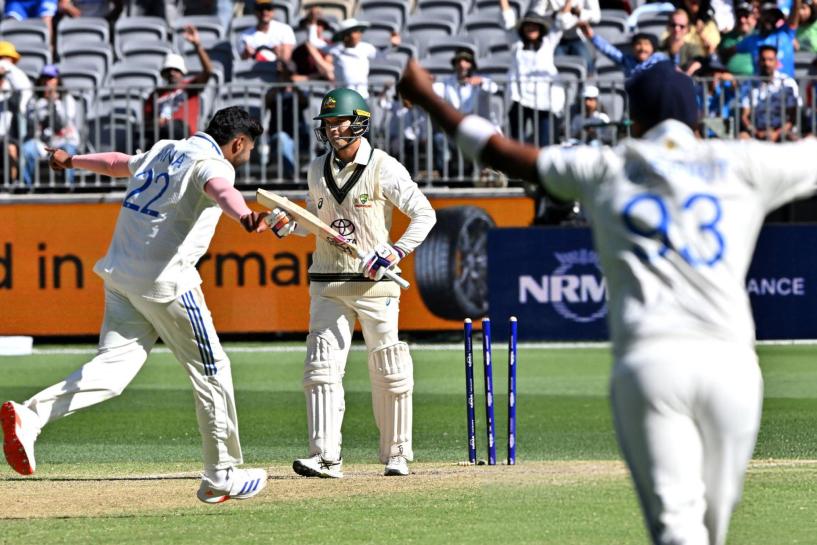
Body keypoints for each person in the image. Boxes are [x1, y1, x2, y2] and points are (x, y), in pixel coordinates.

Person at [398, 56, 817, 545]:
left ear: (633, 119)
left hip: (650, 362)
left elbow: (498, 152)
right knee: (711, 527)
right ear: (698, 118)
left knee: (678, 529)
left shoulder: (606, 165)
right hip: (732, 366)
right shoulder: (744, 162)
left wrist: (428, 97)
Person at [1, 106, 271, 503]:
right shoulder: (216, 163)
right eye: (246, 150)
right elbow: (221, 189)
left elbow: (116, 163)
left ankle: (31, 415)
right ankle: (222, 474)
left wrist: (71, 160)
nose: (245, 157)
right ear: (238, 143)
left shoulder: (166, 148)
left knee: (112, 371)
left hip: (121, 275)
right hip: (167, 283)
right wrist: (245, 215)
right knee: (212, 371)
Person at [266, 88, 436, 478]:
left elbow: (424, 214)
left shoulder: (384, 167)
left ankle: (397, 454)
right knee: (321, 368)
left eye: (339, 120)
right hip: (327, 282)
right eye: (327, 122)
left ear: (359, 121)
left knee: (389, 367)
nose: (332, 128)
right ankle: (325, 457)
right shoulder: (314, 169)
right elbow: (316, 222)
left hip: (376, 284)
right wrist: (288, 226)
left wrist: (395, 252)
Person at [502, 0, 573, 146]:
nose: (531, 28)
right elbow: (508, 20)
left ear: (540, 28)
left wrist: (569, 2)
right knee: (516, 142)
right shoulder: (517, 45)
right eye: (528, 25)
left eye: (534, 25)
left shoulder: (548, 43)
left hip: (544, 100)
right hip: (519, 98)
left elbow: (560, 22)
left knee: (544, 142)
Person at [431, 48, 499, 177]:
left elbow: (493, 88)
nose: (462, 65)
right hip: (454, 130)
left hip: (476, 131)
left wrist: (481, 82)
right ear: (455, 65)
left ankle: (478, 174)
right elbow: (434, 90)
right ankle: (445, 174)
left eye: (466, 61)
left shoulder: (481, 80)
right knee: (439, 139)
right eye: (459, 62)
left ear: (472, 65)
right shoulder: (447, 82)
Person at [144, 25, 214, 141]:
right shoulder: (155, 94)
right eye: (168, 70)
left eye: (176, 70)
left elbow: (208, 71)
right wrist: (155, 122)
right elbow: (146, 123)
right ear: (163, 73)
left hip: (184, 136)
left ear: (182, 72)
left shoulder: (191, 87)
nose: (172, 73)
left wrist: (197, 46)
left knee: (173, 127)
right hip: (160, 137)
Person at [22, 64, 80, 188]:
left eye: (51, 78)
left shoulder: (66, 99)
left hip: (63, 140)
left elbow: (62, 123)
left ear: (57, 80)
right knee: (27, 149)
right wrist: (42, 105)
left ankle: (68, 187)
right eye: (45, 78)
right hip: (41, 142)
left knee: (68, 151)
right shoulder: (35, 100)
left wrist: (52, 104)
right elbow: (32, 122)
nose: (48, 81)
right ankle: (27, 188)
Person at [320, 18, 399, 100]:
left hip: (362, 98)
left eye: (359, 31)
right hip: (342, 100)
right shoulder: (336, 49)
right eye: (355, 31)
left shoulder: (366, 47)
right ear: (346, 36)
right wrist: (312, 25)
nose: (359, 34)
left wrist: (392, 46)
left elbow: (381, 57)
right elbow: (315, 42)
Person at [739, 44, 800, 141]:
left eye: (770, 60)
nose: (766, 63)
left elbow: (793, 116)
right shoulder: (748, 84)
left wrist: (777, 133)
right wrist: (757, 133)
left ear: (776, 62)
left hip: (782, 132)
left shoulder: (788, 82)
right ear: (758, 62)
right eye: (763, 60)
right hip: (757, 132)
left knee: (795, 140)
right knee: (741, 138)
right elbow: (744, 116)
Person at [733, 0, 801, 77]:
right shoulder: (752, 40)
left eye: (773, 15)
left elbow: (796, 9)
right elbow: (728, 51)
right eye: (766, 15)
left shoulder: (786, 32)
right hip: (760, 86)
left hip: (785, 85)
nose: (769, 19)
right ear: (759, 17)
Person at [577, 21, 668, 76]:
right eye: (638, 44)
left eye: (646, 44)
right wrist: (592, 37)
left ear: (653, 48)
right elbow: (610, 51)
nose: (642, 48)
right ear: (632, 47)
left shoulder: (660, 60)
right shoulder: (627, 61)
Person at [0, 41, 32, 184]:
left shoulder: (14, 79)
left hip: (9, 133)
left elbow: (25, 89)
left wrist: (7, 68)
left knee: (11, 148)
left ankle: (11, 184)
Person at [718, 2, 758, 77]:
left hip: (754, 81)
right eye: (739, 16)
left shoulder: (759, 37)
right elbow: (720, 60)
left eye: (746, 16)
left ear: (753, 18)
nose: (742, 20)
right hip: (730, 81)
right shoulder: (727, 37)